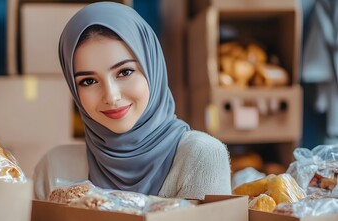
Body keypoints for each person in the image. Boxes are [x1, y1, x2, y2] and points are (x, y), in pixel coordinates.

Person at [33, 1, 231, 200]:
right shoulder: (55, 169)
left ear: (152, 68)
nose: (111, 96)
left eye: (124, 72)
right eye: (89, 81)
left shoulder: (201, 157)